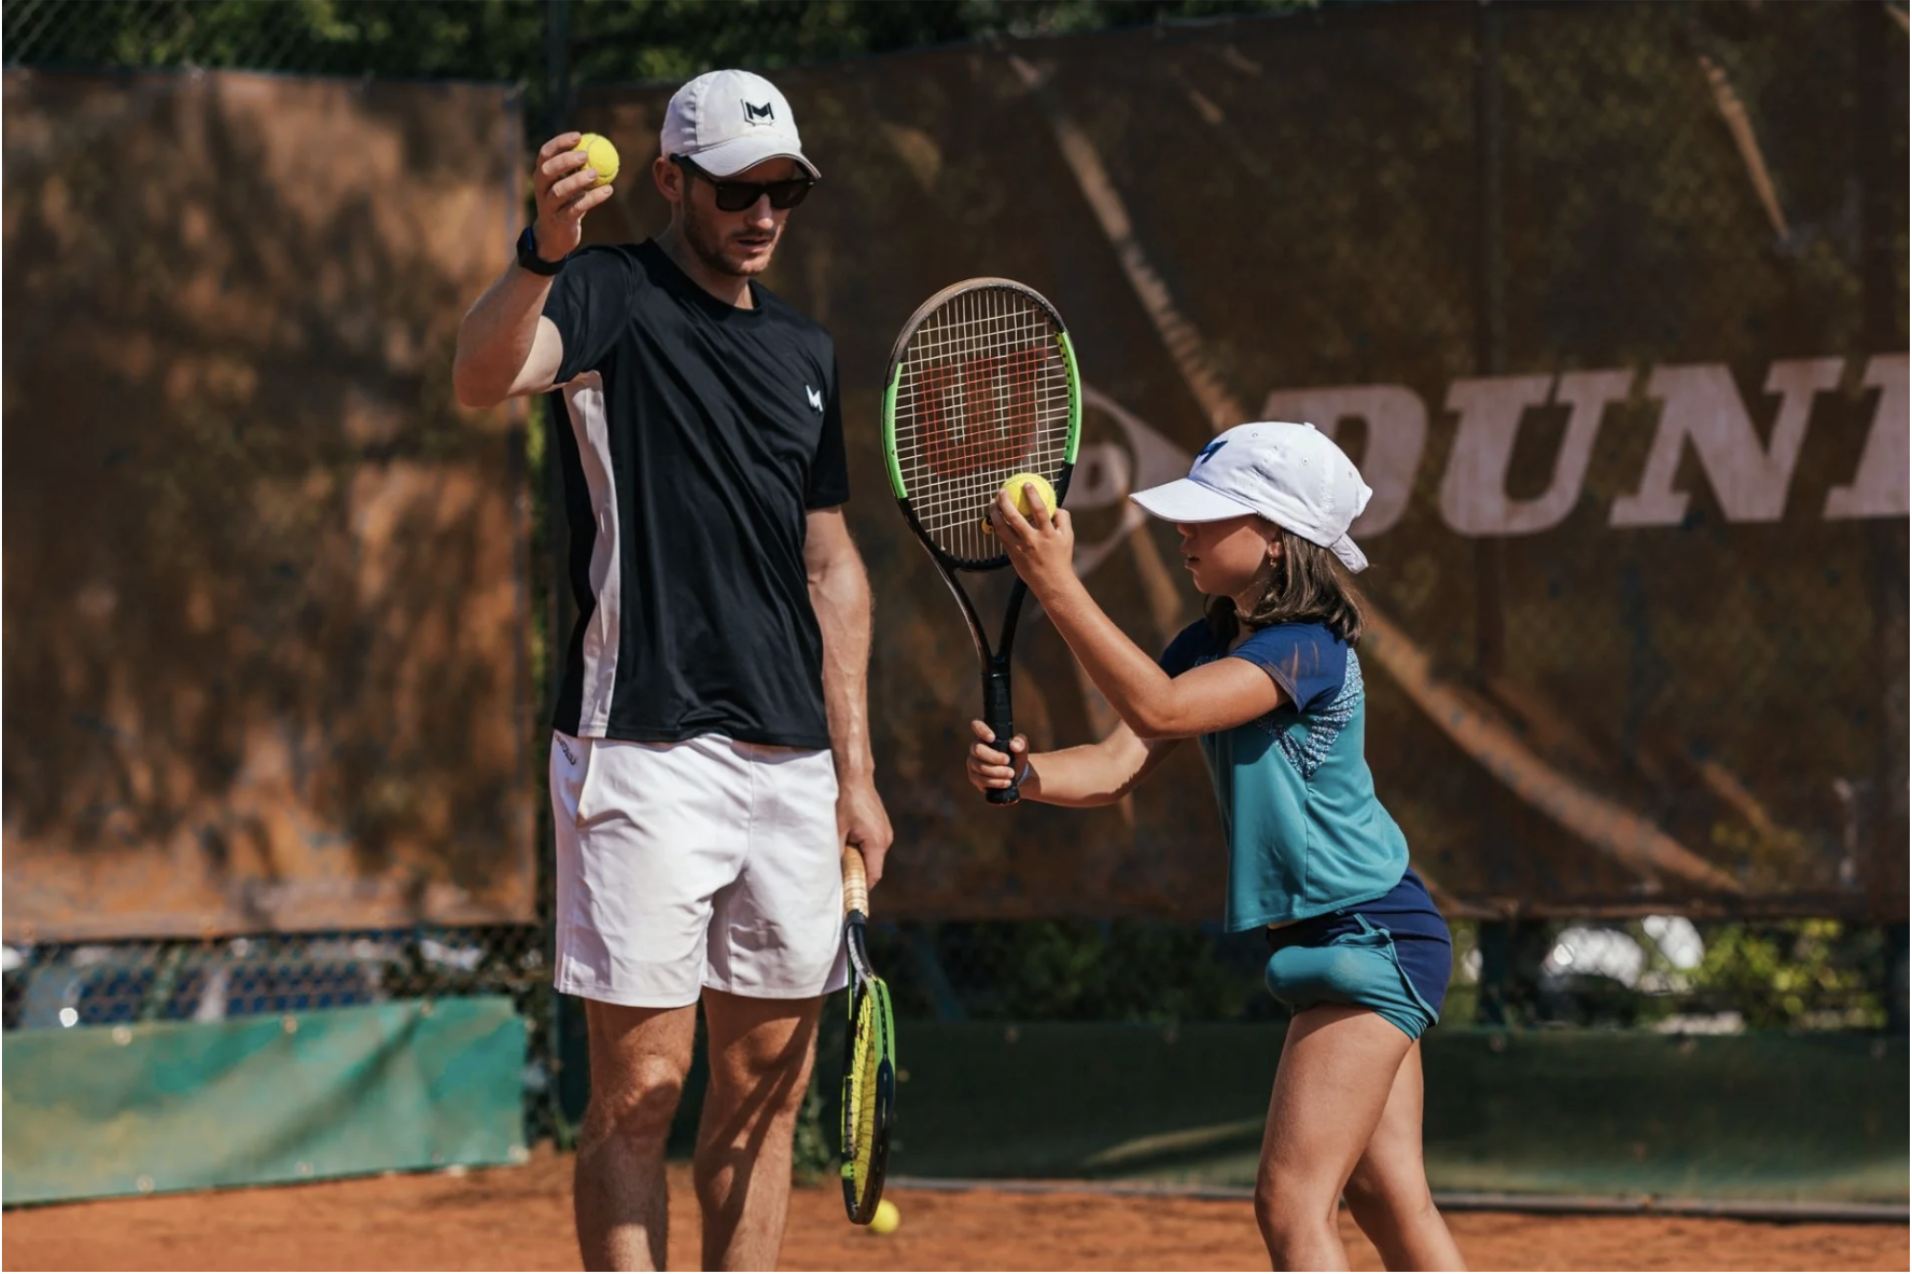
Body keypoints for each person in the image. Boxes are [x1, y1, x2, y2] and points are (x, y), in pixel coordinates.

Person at [452, 69, 891, 1272]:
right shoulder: (604, 293)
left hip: (792, 765)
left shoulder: (805, 349)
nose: (762, 212)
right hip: (638, 748)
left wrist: (856, 773)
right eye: (739, 188)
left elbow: (831, 564)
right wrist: (540, 249)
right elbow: (480, 374)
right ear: (670, 182)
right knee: (643, 1088)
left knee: (762, 1099)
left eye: (783, 190)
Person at [966, 422, 1465, 1272]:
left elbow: (1159, 710)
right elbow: (1119, 764)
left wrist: (1055, 584)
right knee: (1389, 1198)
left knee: (1290, 1204)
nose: (1183, 530)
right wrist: (1028, 776)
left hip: (1370, 938)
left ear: (1277, 539)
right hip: (1345, 939)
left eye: (1210, 514)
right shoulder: (1206, 645)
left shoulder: (1308, 647)